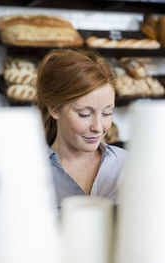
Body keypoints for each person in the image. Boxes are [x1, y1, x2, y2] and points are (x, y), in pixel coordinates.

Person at [36, 48, 127, 208]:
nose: (98, 127)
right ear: (54, 109)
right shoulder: (32, 171)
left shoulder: (128, 165)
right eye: (84, 114)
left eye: (107, 113)